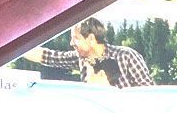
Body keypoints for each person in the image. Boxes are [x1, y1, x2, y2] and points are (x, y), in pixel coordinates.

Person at [24, 18, 153, 88]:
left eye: (76, 38)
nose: (71, 43)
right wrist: (11, 49)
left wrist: (109, 91)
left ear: (91, 38)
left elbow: (150, 95)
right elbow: (48, 56)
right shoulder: (81, 59)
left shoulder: (126, 56)